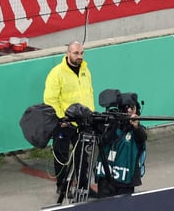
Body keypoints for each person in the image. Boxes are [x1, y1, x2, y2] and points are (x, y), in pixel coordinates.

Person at [43, 41, 94, 197]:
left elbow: (88, 94)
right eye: (76, 53)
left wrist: (90, 115)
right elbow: (50, 99)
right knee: (61, 156)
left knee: (82, 157)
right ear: (68, 54)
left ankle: (83, 186)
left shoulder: (86, 70)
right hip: (64, 123)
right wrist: (61, 119)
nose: (79, 56)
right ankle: (62, 186)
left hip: (82, 123)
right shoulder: (57, 73)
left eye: (81, 53)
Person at [94, 102, 147, 197]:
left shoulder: (138, 129)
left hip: (125, 181)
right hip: (105, 178)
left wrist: (136, 126)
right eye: (126, 107)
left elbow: (142, 137)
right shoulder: (110, 125)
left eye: (132, 107)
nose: (129, 110)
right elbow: (103, 138)